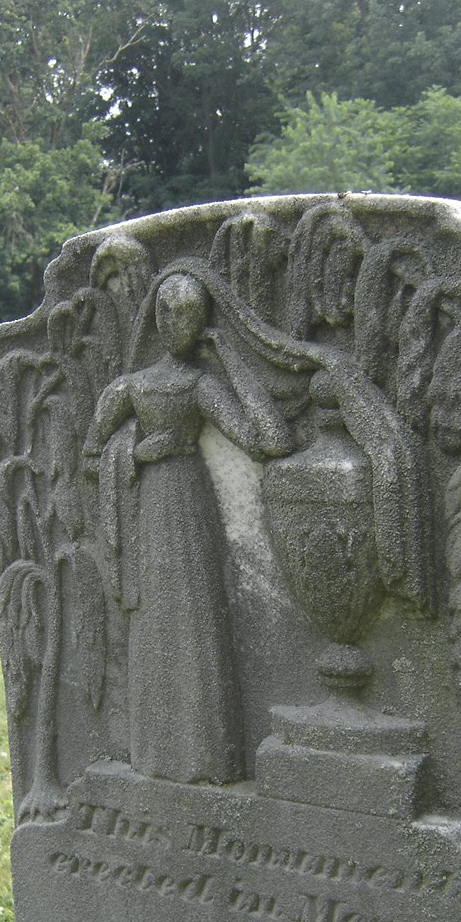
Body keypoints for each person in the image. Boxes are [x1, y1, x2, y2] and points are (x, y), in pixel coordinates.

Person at [83, 271, 291, 784]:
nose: (186, 325)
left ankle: (206, 756)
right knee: (154, 624)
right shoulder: (128, 389)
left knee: (197, 621)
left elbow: (269, 442)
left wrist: (232, 362)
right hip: (147, 513)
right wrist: (137, 451)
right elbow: (90, 455)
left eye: (196, 316)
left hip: (191, 510)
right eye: (175, 313)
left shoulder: (202, 386)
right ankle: (155, 754)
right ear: (157, 316)